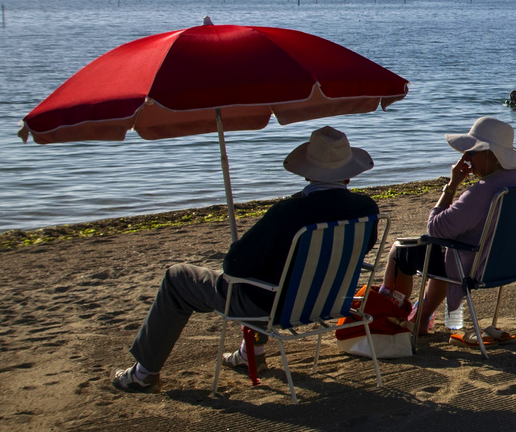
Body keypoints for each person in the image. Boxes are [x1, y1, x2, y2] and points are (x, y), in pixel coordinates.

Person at [112, 126, 378, 391]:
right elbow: (362, 248)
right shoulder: (366, 208)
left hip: (273, 305)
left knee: (177, 277)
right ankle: (251, 354)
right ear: (348, 175)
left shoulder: (287, 213)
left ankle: (143, 373)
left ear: (307, 173)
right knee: (274, 274)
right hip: (327, 299)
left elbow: (234, 266)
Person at [383, 116, 516, 337]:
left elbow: (435, 229)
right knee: (449, 249)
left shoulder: (483, 192)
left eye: (472, 152)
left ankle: (391, 314)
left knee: (400, 250)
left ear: (492, 156)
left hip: (477, 265)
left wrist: (452, 185)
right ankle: (422, 317)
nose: (466, 158)